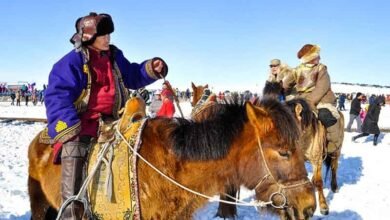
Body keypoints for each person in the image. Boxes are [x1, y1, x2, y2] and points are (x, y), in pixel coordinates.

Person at [44, 12, 168, 219]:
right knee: (74, 152)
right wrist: (69, 126)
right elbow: (57, 95)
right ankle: (70, 210)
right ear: (88, 36)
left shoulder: (114, 57)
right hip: (83, 123)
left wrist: (150, 68)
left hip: (116, 121)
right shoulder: (71, 62)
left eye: (109, 34)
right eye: (103, 35)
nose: (108, 38)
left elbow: (132, 75)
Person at [283, 44, 341, 153]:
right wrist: (281, 90)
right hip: (302, 99)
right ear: (310, 58)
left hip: (321, 98)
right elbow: (286, 84)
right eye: (317, 56)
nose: (319, 58)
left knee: (326, 115)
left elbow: (322, 87)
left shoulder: (321, 69)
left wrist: (309, 101)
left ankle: (333, 142)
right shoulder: (297, 70)